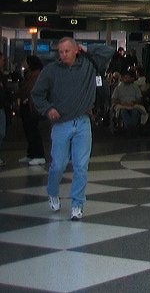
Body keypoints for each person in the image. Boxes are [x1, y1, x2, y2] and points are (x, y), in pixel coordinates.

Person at [30, 37, 114, 221]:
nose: (63, 55)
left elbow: (108, 51)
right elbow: (37, 94)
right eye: (60, 52)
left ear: (76, 50)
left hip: (82, 122)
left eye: (67, 51)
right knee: (58, 165)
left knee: (80, 166)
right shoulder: (51, 70)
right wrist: (48, 109)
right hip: (61, 124)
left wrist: (88, 48)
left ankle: (77, 204)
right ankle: (52, 191)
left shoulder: (88, 65)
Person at [17, 55, 47, 166]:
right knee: (29, 130)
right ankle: (31, 154)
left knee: (33, 130)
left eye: (26, 61)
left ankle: (39, 155)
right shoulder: (30, 75)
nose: (23, 63)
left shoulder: (36, 76)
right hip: (27, 106)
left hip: (31, 107)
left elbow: (28, 91)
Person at [0, 50, 10, 168]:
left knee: (2, 132)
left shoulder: (2, 75)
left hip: (2, 106)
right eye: (2, 60)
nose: (3, 62)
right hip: (1, 106)